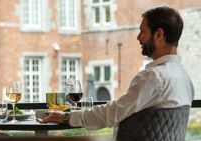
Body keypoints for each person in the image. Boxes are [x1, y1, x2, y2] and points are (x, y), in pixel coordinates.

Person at [41, 6, 195, 132]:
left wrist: (67, 117)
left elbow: (112, 113)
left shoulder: (154, 77)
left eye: (142, 31)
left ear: (159, 34)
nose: (138, 37)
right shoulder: (185, 80)